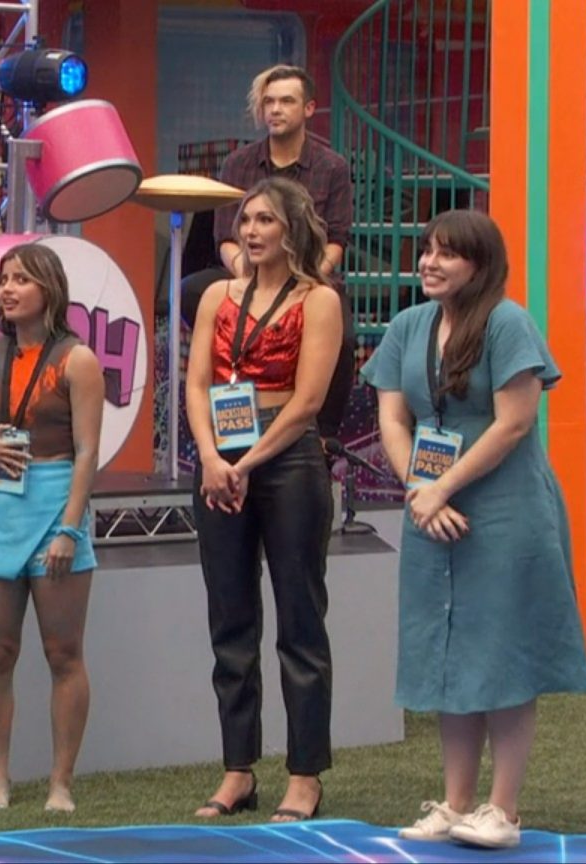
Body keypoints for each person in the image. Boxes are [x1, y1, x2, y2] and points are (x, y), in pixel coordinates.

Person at [360, 209, 586, 849]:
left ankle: (503, 811)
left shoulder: (508, 323)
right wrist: (421, 491)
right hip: (430, 508)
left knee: (501, 650)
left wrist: (443, 487)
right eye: (426, 250)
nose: (429, 262)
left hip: (505, 508)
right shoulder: (408, 326)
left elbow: (514, 423)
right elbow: (394, 420)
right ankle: (457, 804)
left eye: (447, 253)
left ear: (480, 265)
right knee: (448, 651)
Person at [184, 177, 343, 822]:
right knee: (230, 620)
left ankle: (304, 775)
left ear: (292, 228)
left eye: (265, 220)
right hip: (220, 460)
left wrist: (247, 463)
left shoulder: (319, 300)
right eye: (246, 220)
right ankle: (237, 770)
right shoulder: (216, 296)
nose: (251, 231)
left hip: (288, 459)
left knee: (300, 620)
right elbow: (196, 383)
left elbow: (308, 402)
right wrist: (212, 459)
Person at [0, 242, 106, 813]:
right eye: (3, 280)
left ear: (48, 290)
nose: (8, 289)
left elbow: (87, 453)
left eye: (21, 280)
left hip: (56, 502)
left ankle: (61, 785)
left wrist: (70, 530)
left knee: (63, 652)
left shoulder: (78, 360)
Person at [182, 64, 356, 441]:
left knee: (342, 332)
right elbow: (225, 238)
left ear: (308, 108)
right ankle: (234, 377)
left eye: (286, 101)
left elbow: (337, 240)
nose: (275, 109)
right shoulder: (238, 163)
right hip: (248, 272)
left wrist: (303, 280)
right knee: (192, 289)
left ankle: (325, 435)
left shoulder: (332, 167)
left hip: (310, 275)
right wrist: (254, 279)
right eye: (269, 102)